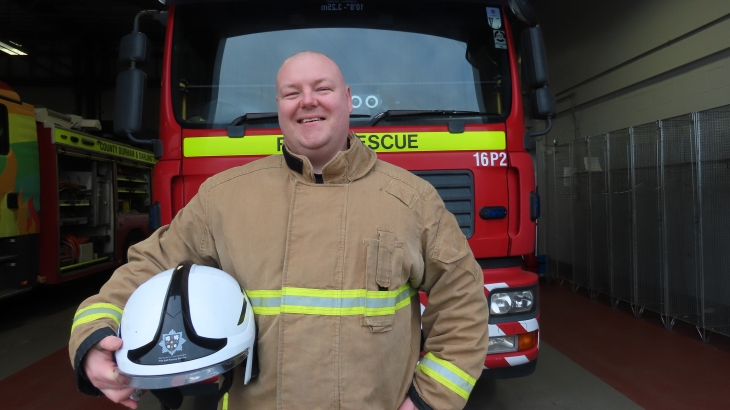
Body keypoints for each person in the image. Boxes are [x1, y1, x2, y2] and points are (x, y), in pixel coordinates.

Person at [69, 51, 489, 410]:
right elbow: (150, 267)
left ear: (347, 100)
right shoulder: (225, 197)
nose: (307, 101)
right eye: (292, 93)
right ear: (279, 106)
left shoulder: (413, 200)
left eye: (322, 89)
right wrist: (93, 334)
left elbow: (463, 301)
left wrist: (428, 400)